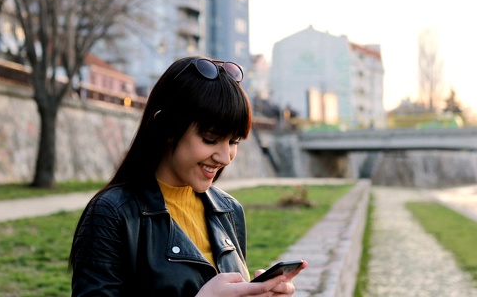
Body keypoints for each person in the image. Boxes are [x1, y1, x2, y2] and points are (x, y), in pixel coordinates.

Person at [69, 56, 307, 296]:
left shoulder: (229, 210)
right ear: (167, 128)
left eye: (233, 141)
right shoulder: (112, 213)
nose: (225, 158)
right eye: (210, 139)